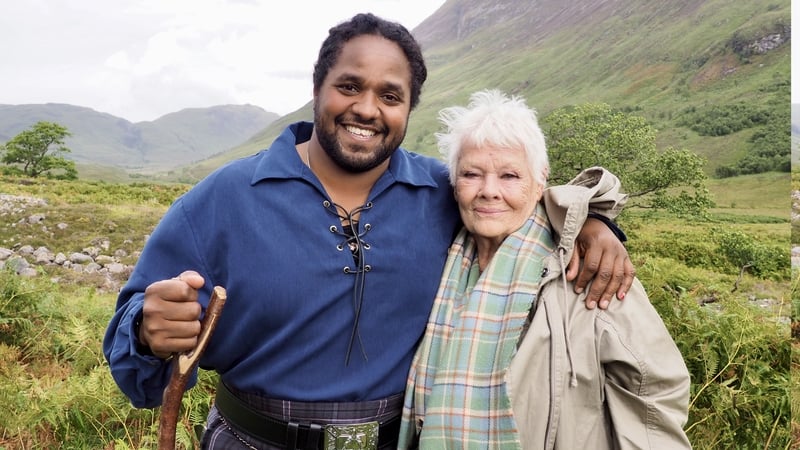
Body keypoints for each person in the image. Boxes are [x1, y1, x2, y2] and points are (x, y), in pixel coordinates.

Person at [103, 13, 635, 450]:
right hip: (252, 442)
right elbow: (134, 350)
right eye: (349, 87)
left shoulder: (443, 192)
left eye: (390, 95)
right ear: (317, 90)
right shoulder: (222, 199)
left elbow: (519, 203)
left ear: (408, 109)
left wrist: (591, 221)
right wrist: (147, 334)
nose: (366, 108)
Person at [398, 89, 691, 449]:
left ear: (540, 183)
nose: (489, 191)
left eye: (509, 176)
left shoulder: (589, 271)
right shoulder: (441, 263)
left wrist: (592, 222)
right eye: (472, 174)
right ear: (454, 184)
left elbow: (655, 389)